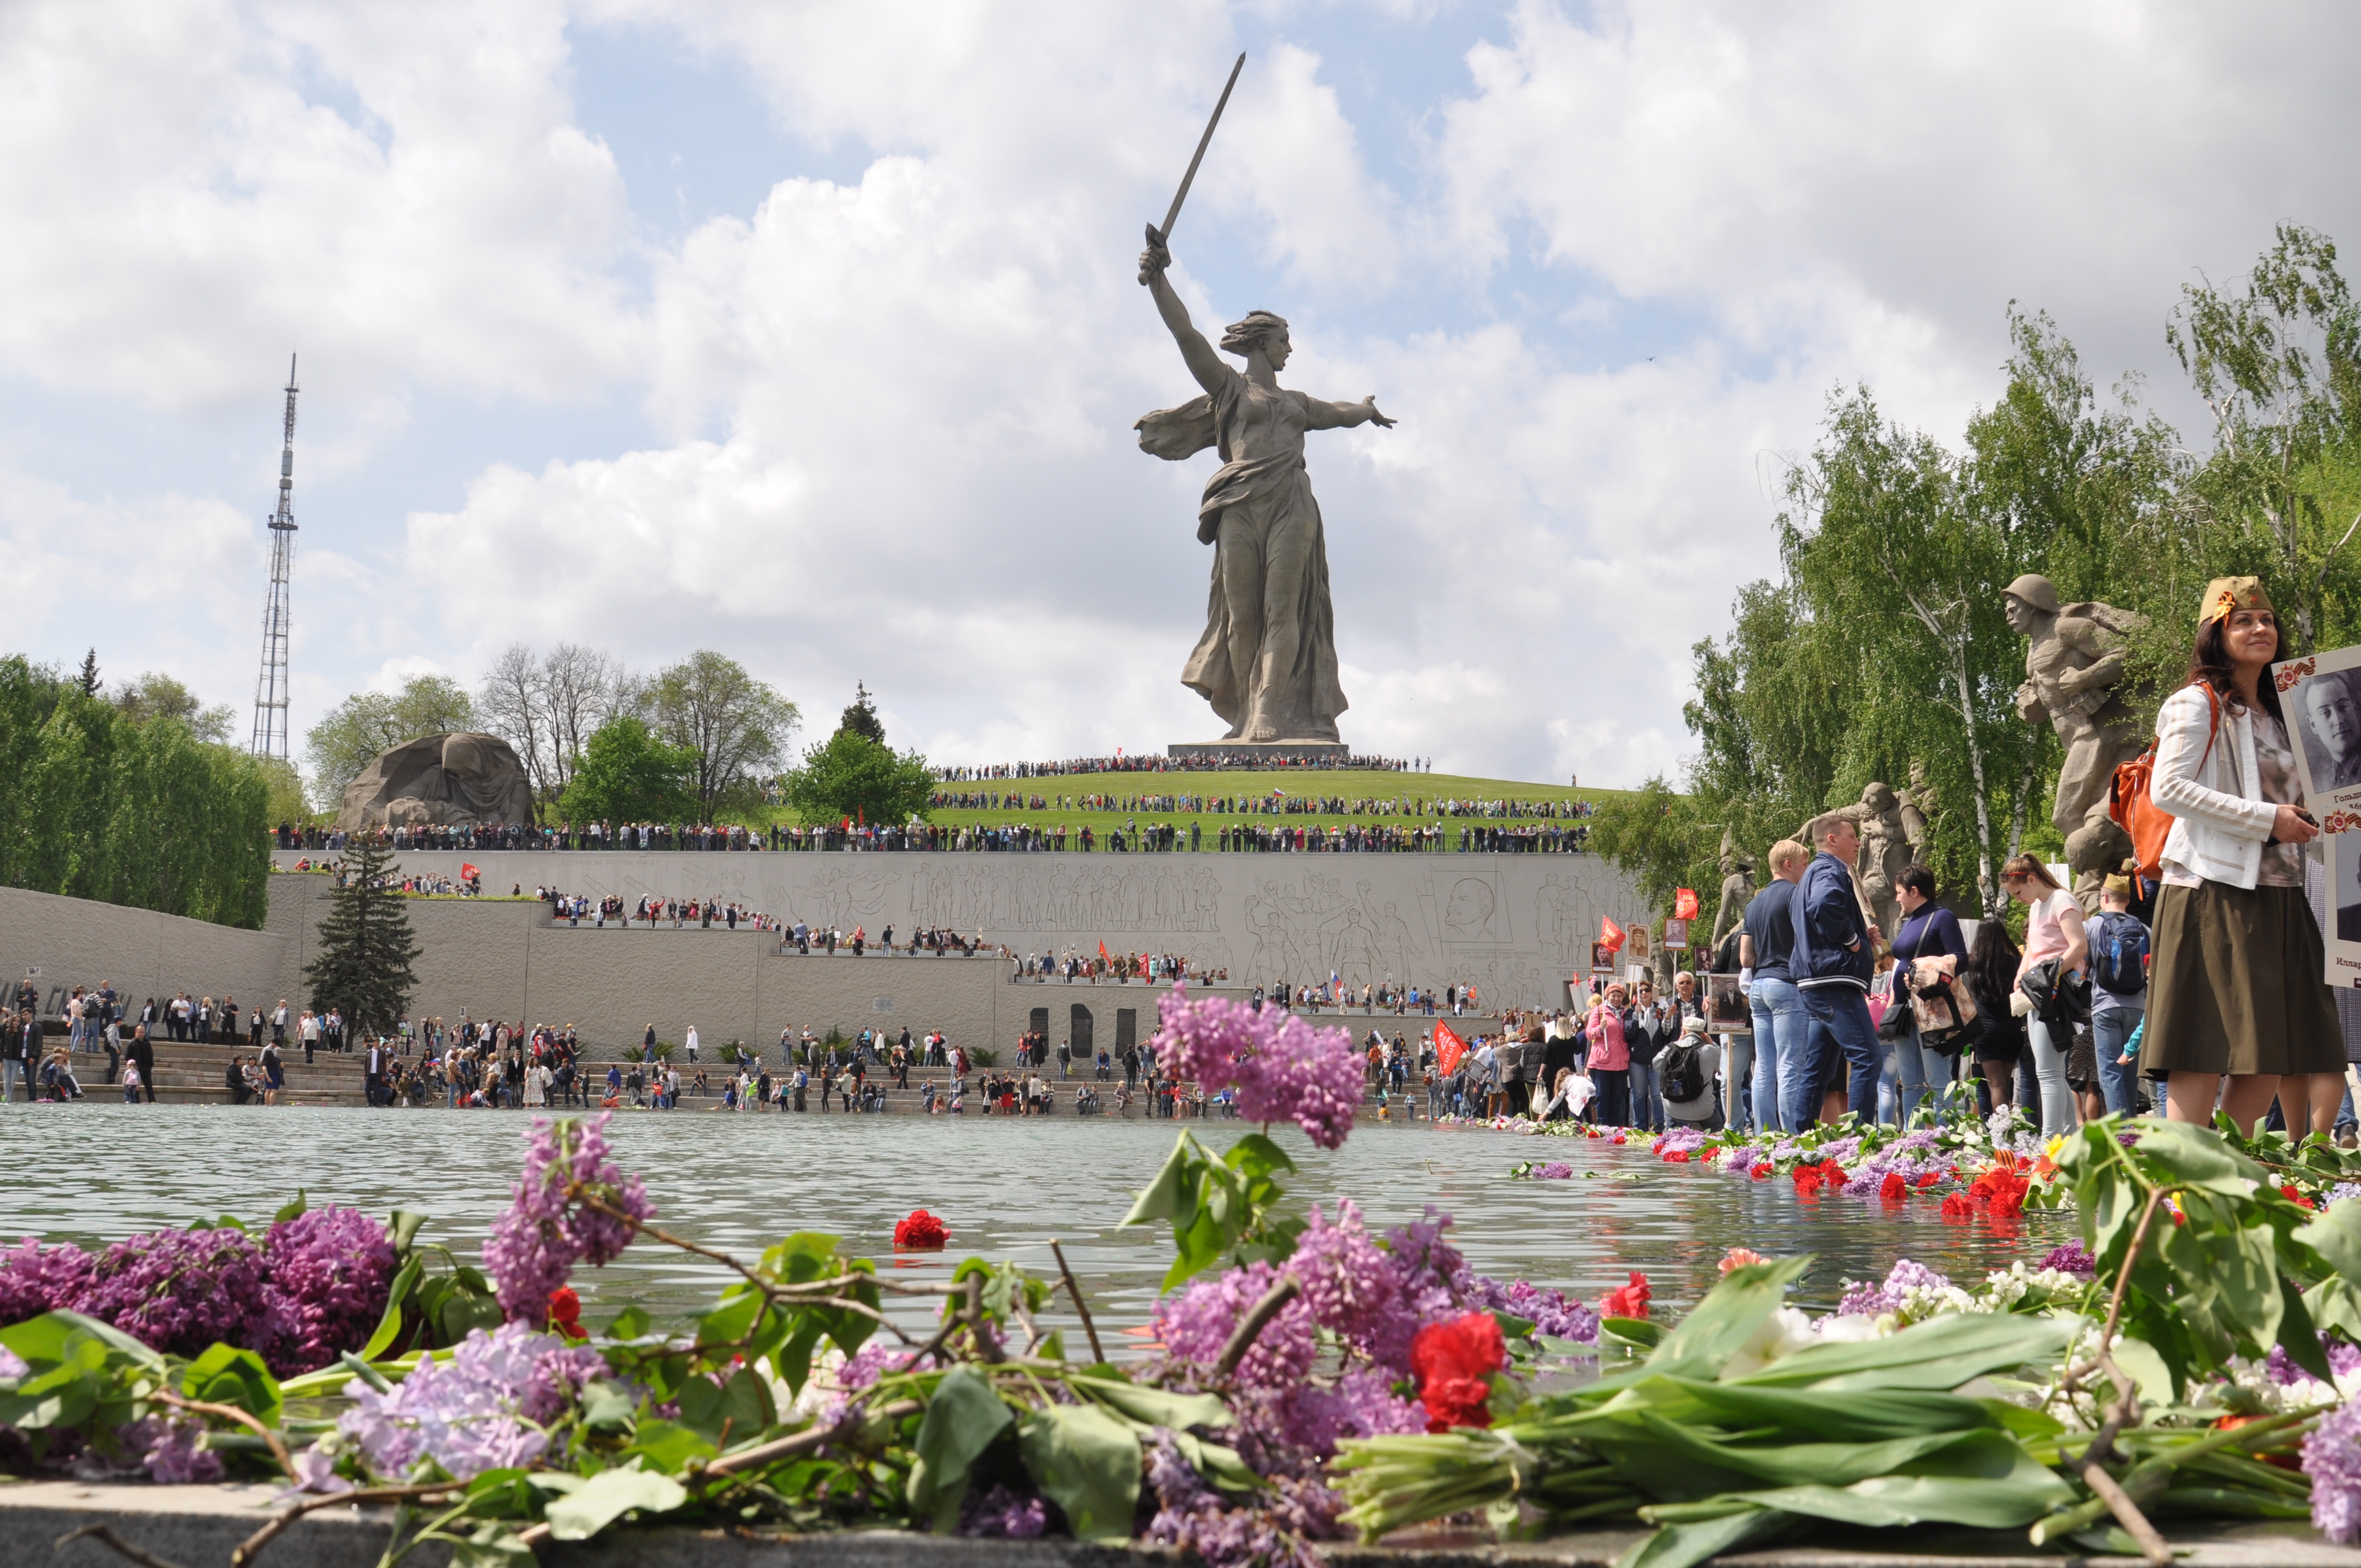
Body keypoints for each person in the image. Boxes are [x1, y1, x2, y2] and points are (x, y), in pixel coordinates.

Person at [2142, 576, 2346, 1137]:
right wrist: (2268, 820)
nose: (2260, 629)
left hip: (2280, 895)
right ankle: (2183, 1183)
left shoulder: (2285, 714)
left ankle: (2220, 1171)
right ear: (2216, 632)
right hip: (2212, 890)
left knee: (2270, 1053)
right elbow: (2169, 790)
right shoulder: (2195, 702)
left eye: (2268, 620)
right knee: (2201, 1049)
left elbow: (2301, 808)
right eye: (2243, 620)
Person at [1789, 814, 1880, 1129]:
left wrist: (1858, 935)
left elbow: (1817, 915)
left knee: (1820, 1067)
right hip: (1834, 979)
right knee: (1868, 1057)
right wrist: (1852, 939)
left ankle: (1800, 1135)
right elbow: (1824, 906)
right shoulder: (1830, 869)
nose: (1858, 842)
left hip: (1817, 979)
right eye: (1852, 836)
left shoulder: (1811, 873)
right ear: (1832, 840)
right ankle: (1861, 1139)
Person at [1887, 864, 1968, 1123]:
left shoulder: (1942, 918)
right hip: (1905, 1010)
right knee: (1910, 1083)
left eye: (1900, 892)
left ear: (1914, 891)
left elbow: (1961, 960)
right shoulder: (1910, 921)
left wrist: (1922, 972)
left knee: (1938, 1079)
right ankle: (1914, 1142)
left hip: (1933, 1012)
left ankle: (1946, 1139)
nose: (1897, 898)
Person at [1739, 840, 1808, 1135]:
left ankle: (1762, 1134)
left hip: (1759, 985)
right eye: (1804, 863)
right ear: (1789, 864)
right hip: (1787, 985)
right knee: (1790, 1065)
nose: (1807, 870)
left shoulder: (1754, 904)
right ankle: (1791, 1136)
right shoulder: (1796, 895)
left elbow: (1745, 957)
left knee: (1764, 1067)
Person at [2086, 867, 2151, 1117]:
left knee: (2110, 1072)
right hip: (2138, 1006)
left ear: (2104, 898)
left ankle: (2120, 1133)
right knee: (2129, 1071)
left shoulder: (2091, 925)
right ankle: (2131, 1128)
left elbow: (2080, 962)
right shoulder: (2145, 929)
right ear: (2127, 900)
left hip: (2105, 1005)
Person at [1583, 982, 1632, 1126]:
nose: (1616, 999)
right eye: (1613, 995)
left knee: (1618, 1096)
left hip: (1620, 1061)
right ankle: (1603, 1125)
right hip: (1602, 1061)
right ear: (1607, 996)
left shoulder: (1625, 1013)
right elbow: (1589, 1034)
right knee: (1602, 1096)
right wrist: (1600, 1029)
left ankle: (1617, 1125)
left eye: (1619, 996)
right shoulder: (1599, 1011)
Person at [1661, 1016, 1722, 1127]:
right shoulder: (1709, 1050)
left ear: (1684, 1031)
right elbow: (1723, 1064)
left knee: (1669, 1113)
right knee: (1717, 1123)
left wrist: (1677, 1043)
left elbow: (1657, 1065)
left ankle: (1671, 1129)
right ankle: (1701, 1128)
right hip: (1703, 1111)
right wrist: (1712, 1043)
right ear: (1703, 1034)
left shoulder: (1670, 1049)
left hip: (1673, 1110)